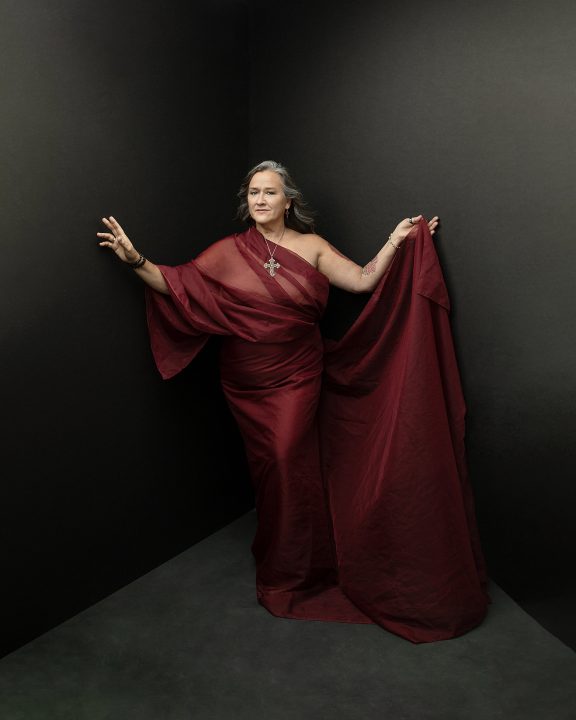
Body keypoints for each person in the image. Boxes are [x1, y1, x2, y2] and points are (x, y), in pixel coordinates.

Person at [98, 160, 488, 643]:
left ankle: (297, 566)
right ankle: (284, 556)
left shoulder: (313, 246)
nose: (260, 200)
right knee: (273, 470)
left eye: (269, 192)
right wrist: (136, 260)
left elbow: (364, 280)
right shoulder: (227, 252)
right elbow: (178, 288)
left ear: (288, 201)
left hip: (299, 374)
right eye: (254, 193)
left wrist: (398, 244)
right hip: (244, 381)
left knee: (287, 460)